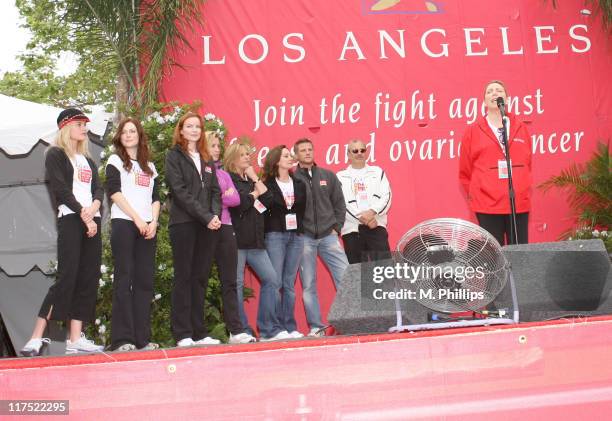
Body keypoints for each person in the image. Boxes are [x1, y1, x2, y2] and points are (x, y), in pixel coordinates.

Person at [20, 108, 104, 356]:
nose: (84, 129)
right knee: (67, 277)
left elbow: (98, 189)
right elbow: (61, 190)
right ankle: (36, 337)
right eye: (80, 124)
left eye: (85, 125)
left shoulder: (87, 160)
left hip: (92, 220)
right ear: (67, 127)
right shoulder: (55, 154)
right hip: (71, 219)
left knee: (87, 278)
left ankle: (75, 339)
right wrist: (83, 213)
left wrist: (94, 209)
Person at [165, 112, 222, 347]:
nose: (194, 130)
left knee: (200, 278)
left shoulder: (207, 158)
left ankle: (199, 333)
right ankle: (183, 333)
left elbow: (215, 191)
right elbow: (179, 191)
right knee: (184, 277)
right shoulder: (173, 156)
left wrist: (215, 215)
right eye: (189, 126)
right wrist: (206, 215)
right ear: (180, 130)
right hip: (184, 223)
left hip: (207, 224)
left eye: (197, 126)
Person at [225, 142, 291, 341]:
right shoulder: (230, 179)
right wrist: (254, 194)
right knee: (235, 284)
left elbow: (269, 200)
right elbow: (241, 205)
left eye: (248, 154)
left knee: (271, 279)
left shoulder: (250, 180)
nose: (247, 157)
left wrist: (254, 178)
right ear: (233, 158)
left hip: (255, 241)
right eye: (243, 154)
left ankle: (268, 329)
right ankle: (240, 330)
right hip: (236, 240)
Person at [105, 117, 160, 351]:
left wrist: (154, 221)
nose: (128, 135)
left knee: (144, 283)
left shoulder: (150, 166)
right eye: (124, 132)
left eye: (132, 131)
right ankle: (122, 339)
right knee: (124, 279)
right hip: (125, 223)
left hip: (148, 227)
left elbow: (155, 197)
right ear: (120, 137)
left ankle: (142, 339)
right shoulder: (115, 160)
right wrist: (137, 218)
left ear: (139, 135)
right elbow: (114, 192)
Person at [459, 80, 532, 245]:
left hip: (517, 203)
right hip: (487, 205)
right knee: (494, 256)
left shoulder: (521, 127)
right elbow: (465, 171)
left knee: (520, 255)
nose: (494, 93)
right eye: (489, 91)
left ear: (506, 99)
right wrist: (478, 193)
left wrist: (522, 186)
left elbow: (528, 163)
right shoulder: (472, 131)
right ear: (484, 102)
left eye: (499, 90)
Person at [293, 138, 348, 337]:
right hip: (304, 238)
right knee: (308, 284)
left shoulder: (328, 175)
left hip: (329, 236)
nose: (307, 153)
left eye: (310, 149)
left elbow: (340, 204)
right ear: (296, 155)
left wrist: (337, 228)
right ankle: (316, 326)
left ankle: (349, 322)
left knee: (345, 278)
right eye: (302, 150)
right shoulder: (292, 178)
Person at [206, 131, 257, 344]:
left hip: (226, 227)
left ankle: (235, 331)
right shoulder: (200, 171)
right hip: (206, 227)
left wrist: (225, 195)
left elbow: (235, 199)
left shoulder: (224, 174)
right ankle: (195, 332)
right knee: (199, 280)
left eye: (219, 146)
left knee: (230, 281)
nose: (217, 149)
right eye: (213, 145)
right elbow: (214, 196)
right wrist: (223, 195)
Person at [262, 145, 307, 338]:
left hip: (295, 235)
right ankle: (273, 328)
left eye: (290, 155)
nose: (291, 158)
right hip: (275, 234)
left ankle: (289, 326)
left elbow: (302, 209)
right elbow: (267, 205)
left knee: (289, 283)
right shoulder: (268, 184)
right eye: (286, 155)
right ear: (276, 161)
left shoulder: (299, 183)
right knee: (275, 281)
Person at [337, 139, 392, 263]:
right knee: (358, 275)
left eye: (362, 150)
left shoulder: (378, 172)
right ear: (348, 155)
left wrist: (372, 213)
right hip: (352, 230)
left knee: (383, 272)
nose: (359, 153)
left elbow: (386, 196)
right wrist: (364, 219)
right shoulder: (340, 176)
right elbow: (341, 203)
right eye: (355, 151)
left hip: (376, 226)